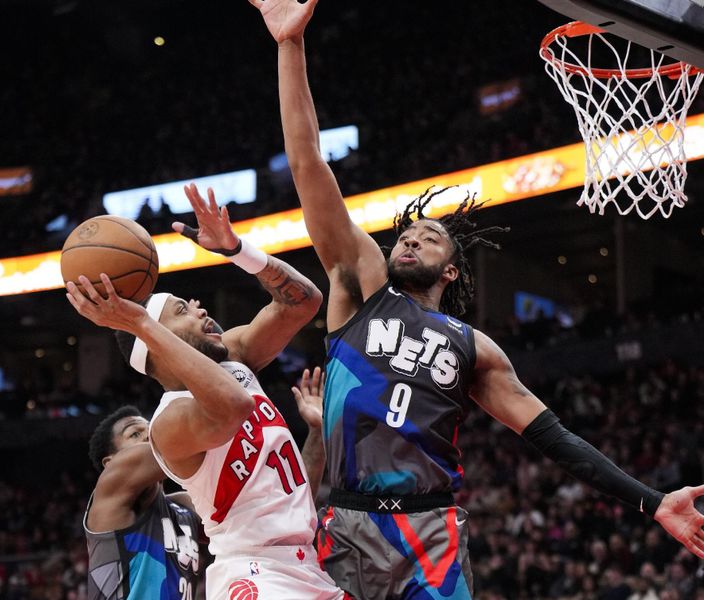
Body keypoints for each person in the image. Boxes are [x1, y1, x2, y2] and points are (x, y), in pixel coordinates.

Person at [248, 1, 704, 598]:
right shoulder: (359, 289)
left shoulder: (474, 349)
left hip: (431, 532)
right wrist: (289, 46)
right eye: (404, 235)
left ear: (454, 270)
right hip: (350, 524)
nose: (410, 238)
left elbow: (553, 438)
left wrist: (651, 502)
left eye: (428, 236)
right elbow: (309, 164)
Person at [67, 183, 347, 599]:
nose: (199, 306)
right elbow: (234, 405)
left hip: (307, 567)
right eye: (181, 309)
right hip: (257, 577)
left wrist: (238, 250)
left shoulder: (233, 359)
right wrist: (139, 322)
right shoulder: (170, 423)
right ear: (160, 340)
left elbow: (304, 302)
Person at [84, 405, 209, 600]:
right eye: (134, 434)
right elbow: (200, 437)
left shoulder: (184, 505)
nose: (149, 436)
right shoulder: (110, 493)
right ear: (110, 463)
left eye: (151, 429)